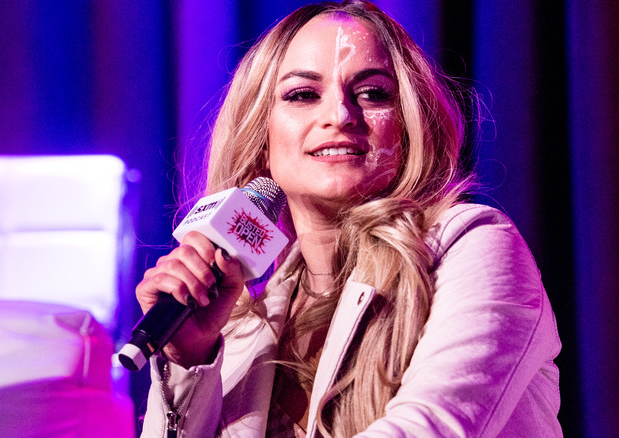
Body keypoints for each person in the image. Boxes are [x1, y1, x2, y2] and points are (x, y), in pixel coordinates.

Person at [136, 1, 562, 436]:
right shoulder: (244, 323)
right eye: (303, 95)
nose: (339, 116)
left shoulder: (472, 244)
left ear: (410, 124)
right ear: (263, 138)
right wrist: (188, 359)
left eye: (373, 93)